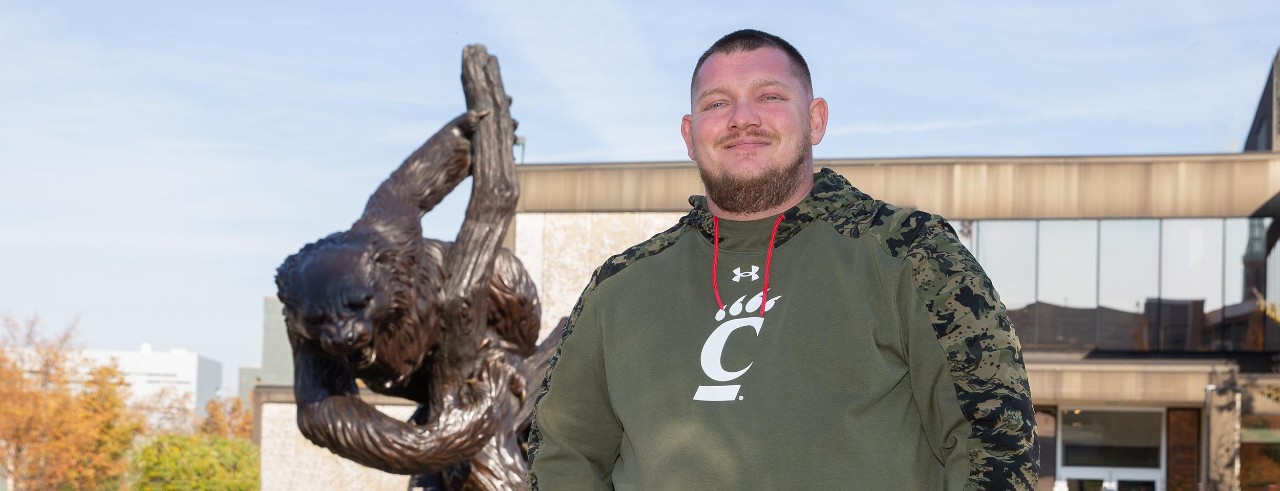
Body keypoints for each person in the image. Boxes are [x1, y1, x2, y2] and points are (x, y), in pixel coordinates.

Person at [526, 29, 1038, 490]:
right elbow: (561, 452)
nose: (741, 119)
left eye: (769, 97)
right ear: (689, 134)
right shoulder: (621, 286)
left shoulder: (908, 252)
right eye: (716, 103)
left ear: (814, 120)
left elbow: (993, 441)